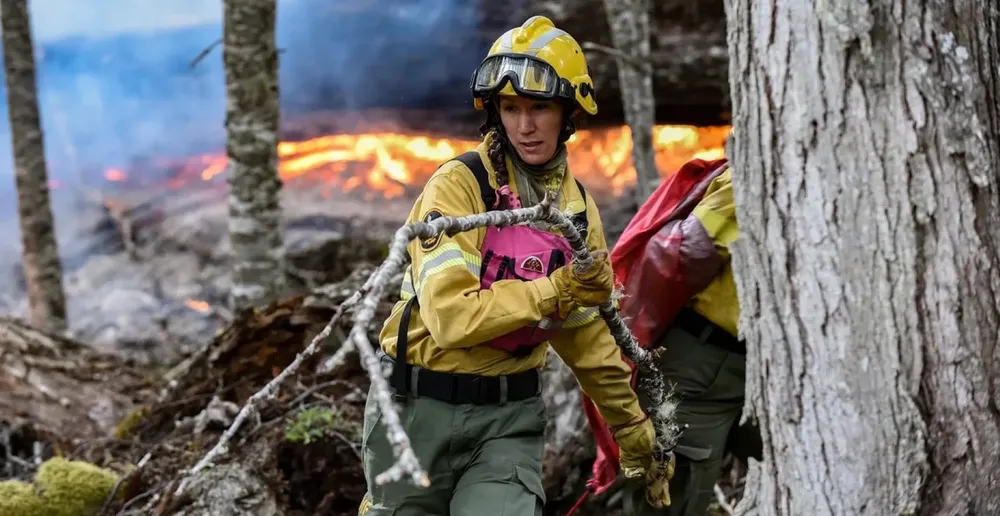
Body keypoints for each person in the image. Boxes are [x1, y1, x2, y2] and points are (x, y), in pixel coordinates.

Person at [356, 15, 672, 516]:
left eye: (539, 107)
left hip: (508, 420)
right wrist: (558, 289)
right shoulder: (458, 188)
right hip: (416, 412)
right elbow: (451, 319)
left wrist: (632, 428)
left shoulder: (577, 213)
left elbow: (586, 335)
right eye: (511, 108)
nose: (524, 126)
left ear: (569, 112)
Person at [575, 157, 763, 516]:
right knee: (671, 495)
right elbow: (689, 252)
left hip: (754, 370)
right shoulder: (755, 170)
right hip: (700, 367)